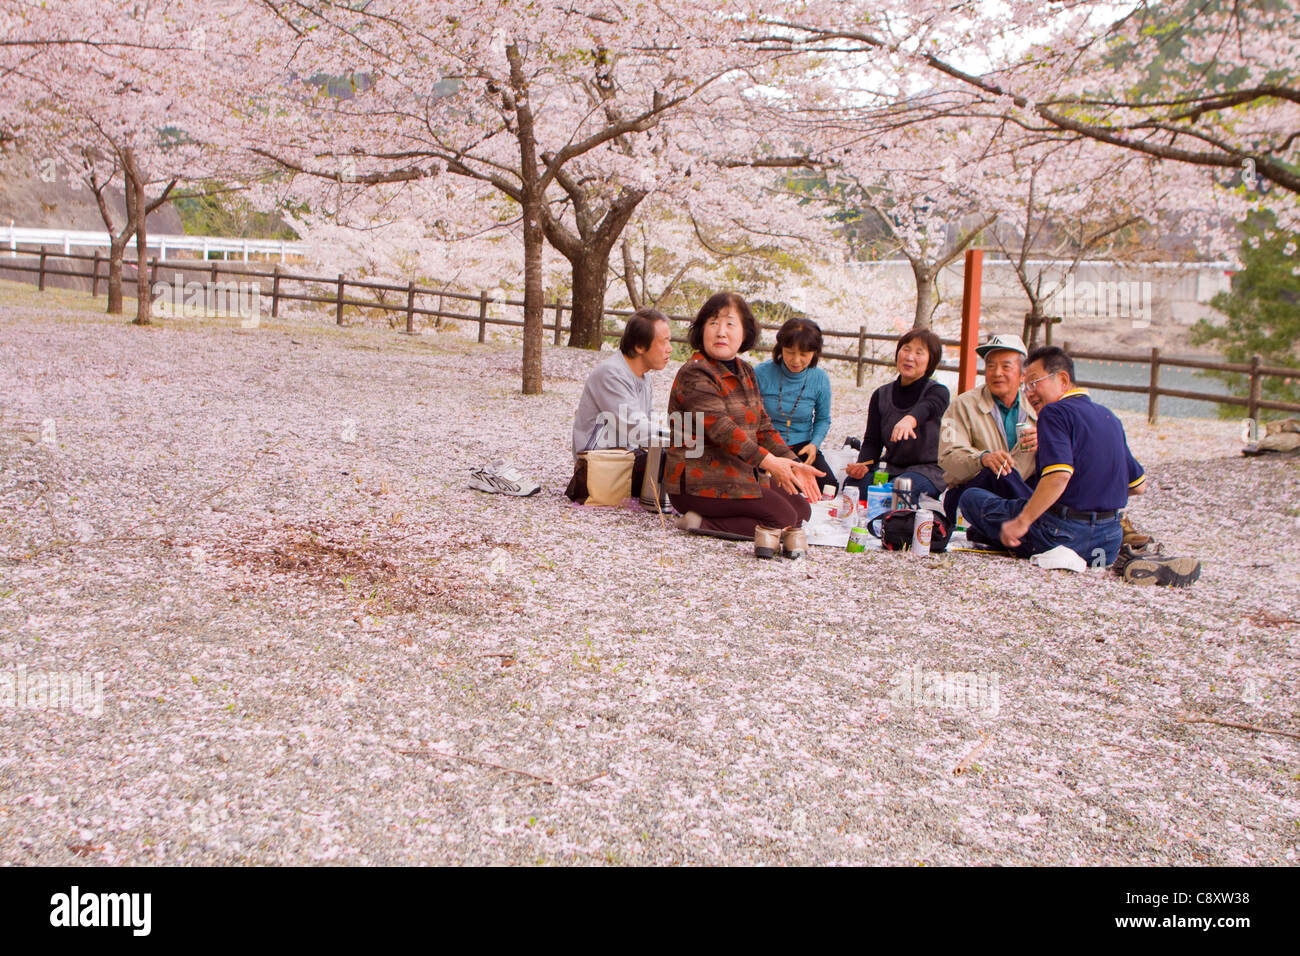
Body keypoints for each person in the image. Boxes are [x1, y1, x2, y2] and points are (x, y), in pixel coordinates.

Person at [959, 346, 1146, 566]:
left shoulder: (1054, 411)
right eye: (1026, 386)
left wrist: (1022, 522)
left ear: (1063, 380)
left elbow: (1058, 476)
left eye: (1035, 382)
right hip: (1109, 540)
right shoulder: (1109, 417)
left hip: (1061, 534)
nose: (1029, 392)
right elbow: (1138, 485)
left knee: (971, 498)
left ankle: (1002, 538)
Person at [665, 292, 824, 550]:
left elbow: (763, 427)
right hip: (698, 481)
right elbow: (722, 429)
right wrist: (771, 462)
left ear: (744, 333)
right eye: (713, 323)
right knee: (783, 518)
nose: (721, 332)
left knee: (800, 510)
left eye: (730, 324)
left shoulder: (746, 371)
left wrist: (794, 465)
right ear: (702, 329)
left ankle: (720, 520)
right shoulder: (695, 372)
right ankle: (703, 522)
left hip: (739, 474)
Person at [938, 333, 1038, 527]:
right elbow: (947, 458)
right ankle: (1040, 520)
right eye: (991, 365)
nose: (996, 372)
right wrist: (982, 459)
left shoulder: (1038, 406)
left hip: (1018, 497)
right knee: (998, 471)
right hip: (972, 494)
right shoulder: (963, 405)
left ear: (1023, 374)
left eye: (1006, 366)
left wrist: (1046, 442)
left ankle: (1022, 522)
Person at [571, 307, 673, 497]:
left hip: (627, 458)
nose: (670, 348)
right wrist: (678, 440)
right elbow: (636, 427)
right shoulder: (611, 374)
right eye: (664, 341)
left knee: (685, 463)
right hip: (601, 465)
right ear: (640, 346)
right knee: (678, 466)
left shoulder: (644, 377)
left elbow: (648, 423)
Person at [844, 329, 950, 501]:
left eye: (919, 352)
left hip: (927, 470)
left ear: (931, 360)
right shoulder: (881, 394)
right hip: (891, 468)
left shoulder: (938, 392)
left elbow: (930, 406)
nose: (909, 357)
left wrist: (910, 420)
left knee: (899, 491)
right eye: (906, 349)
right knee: (853, 486)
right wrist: (863, 465)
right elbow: (872, 441)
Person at [754, 318, 834, 486]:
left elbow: (823, 418)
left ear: (814, 353)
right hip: (767, 445)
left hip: (802, 445)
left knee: (828, 486)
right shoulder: (761, 373)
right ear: (780, 348)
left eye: (804, 354)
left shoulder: (820, 379)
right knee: (768, 484)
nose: (796, 360)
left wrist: (814, 444)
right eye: (790, 352)